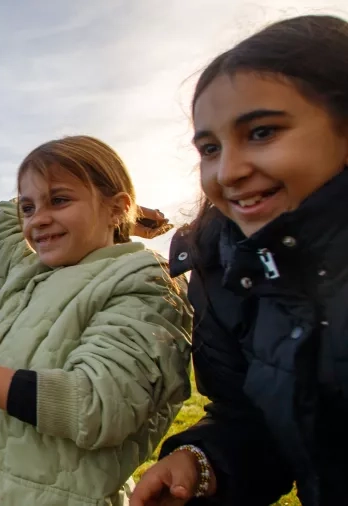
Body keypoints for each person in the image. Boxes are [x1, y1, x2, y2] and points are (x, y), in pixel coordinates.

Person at [0, 135, 192, 505]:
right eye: (29, 207)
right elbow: (3, 221)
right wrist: (115, 217)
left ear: (117, 206)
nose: (38, 219)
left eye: (60, 199)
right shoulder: (29, 274)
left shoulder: (144, 282)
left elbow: (100, 405)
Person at [131, 15, 348, 506]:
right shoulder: (222, 269)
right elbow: (258, 420)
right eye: (210, 148)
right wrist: (203, 462)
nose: (228, 171)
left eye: (263, 132)